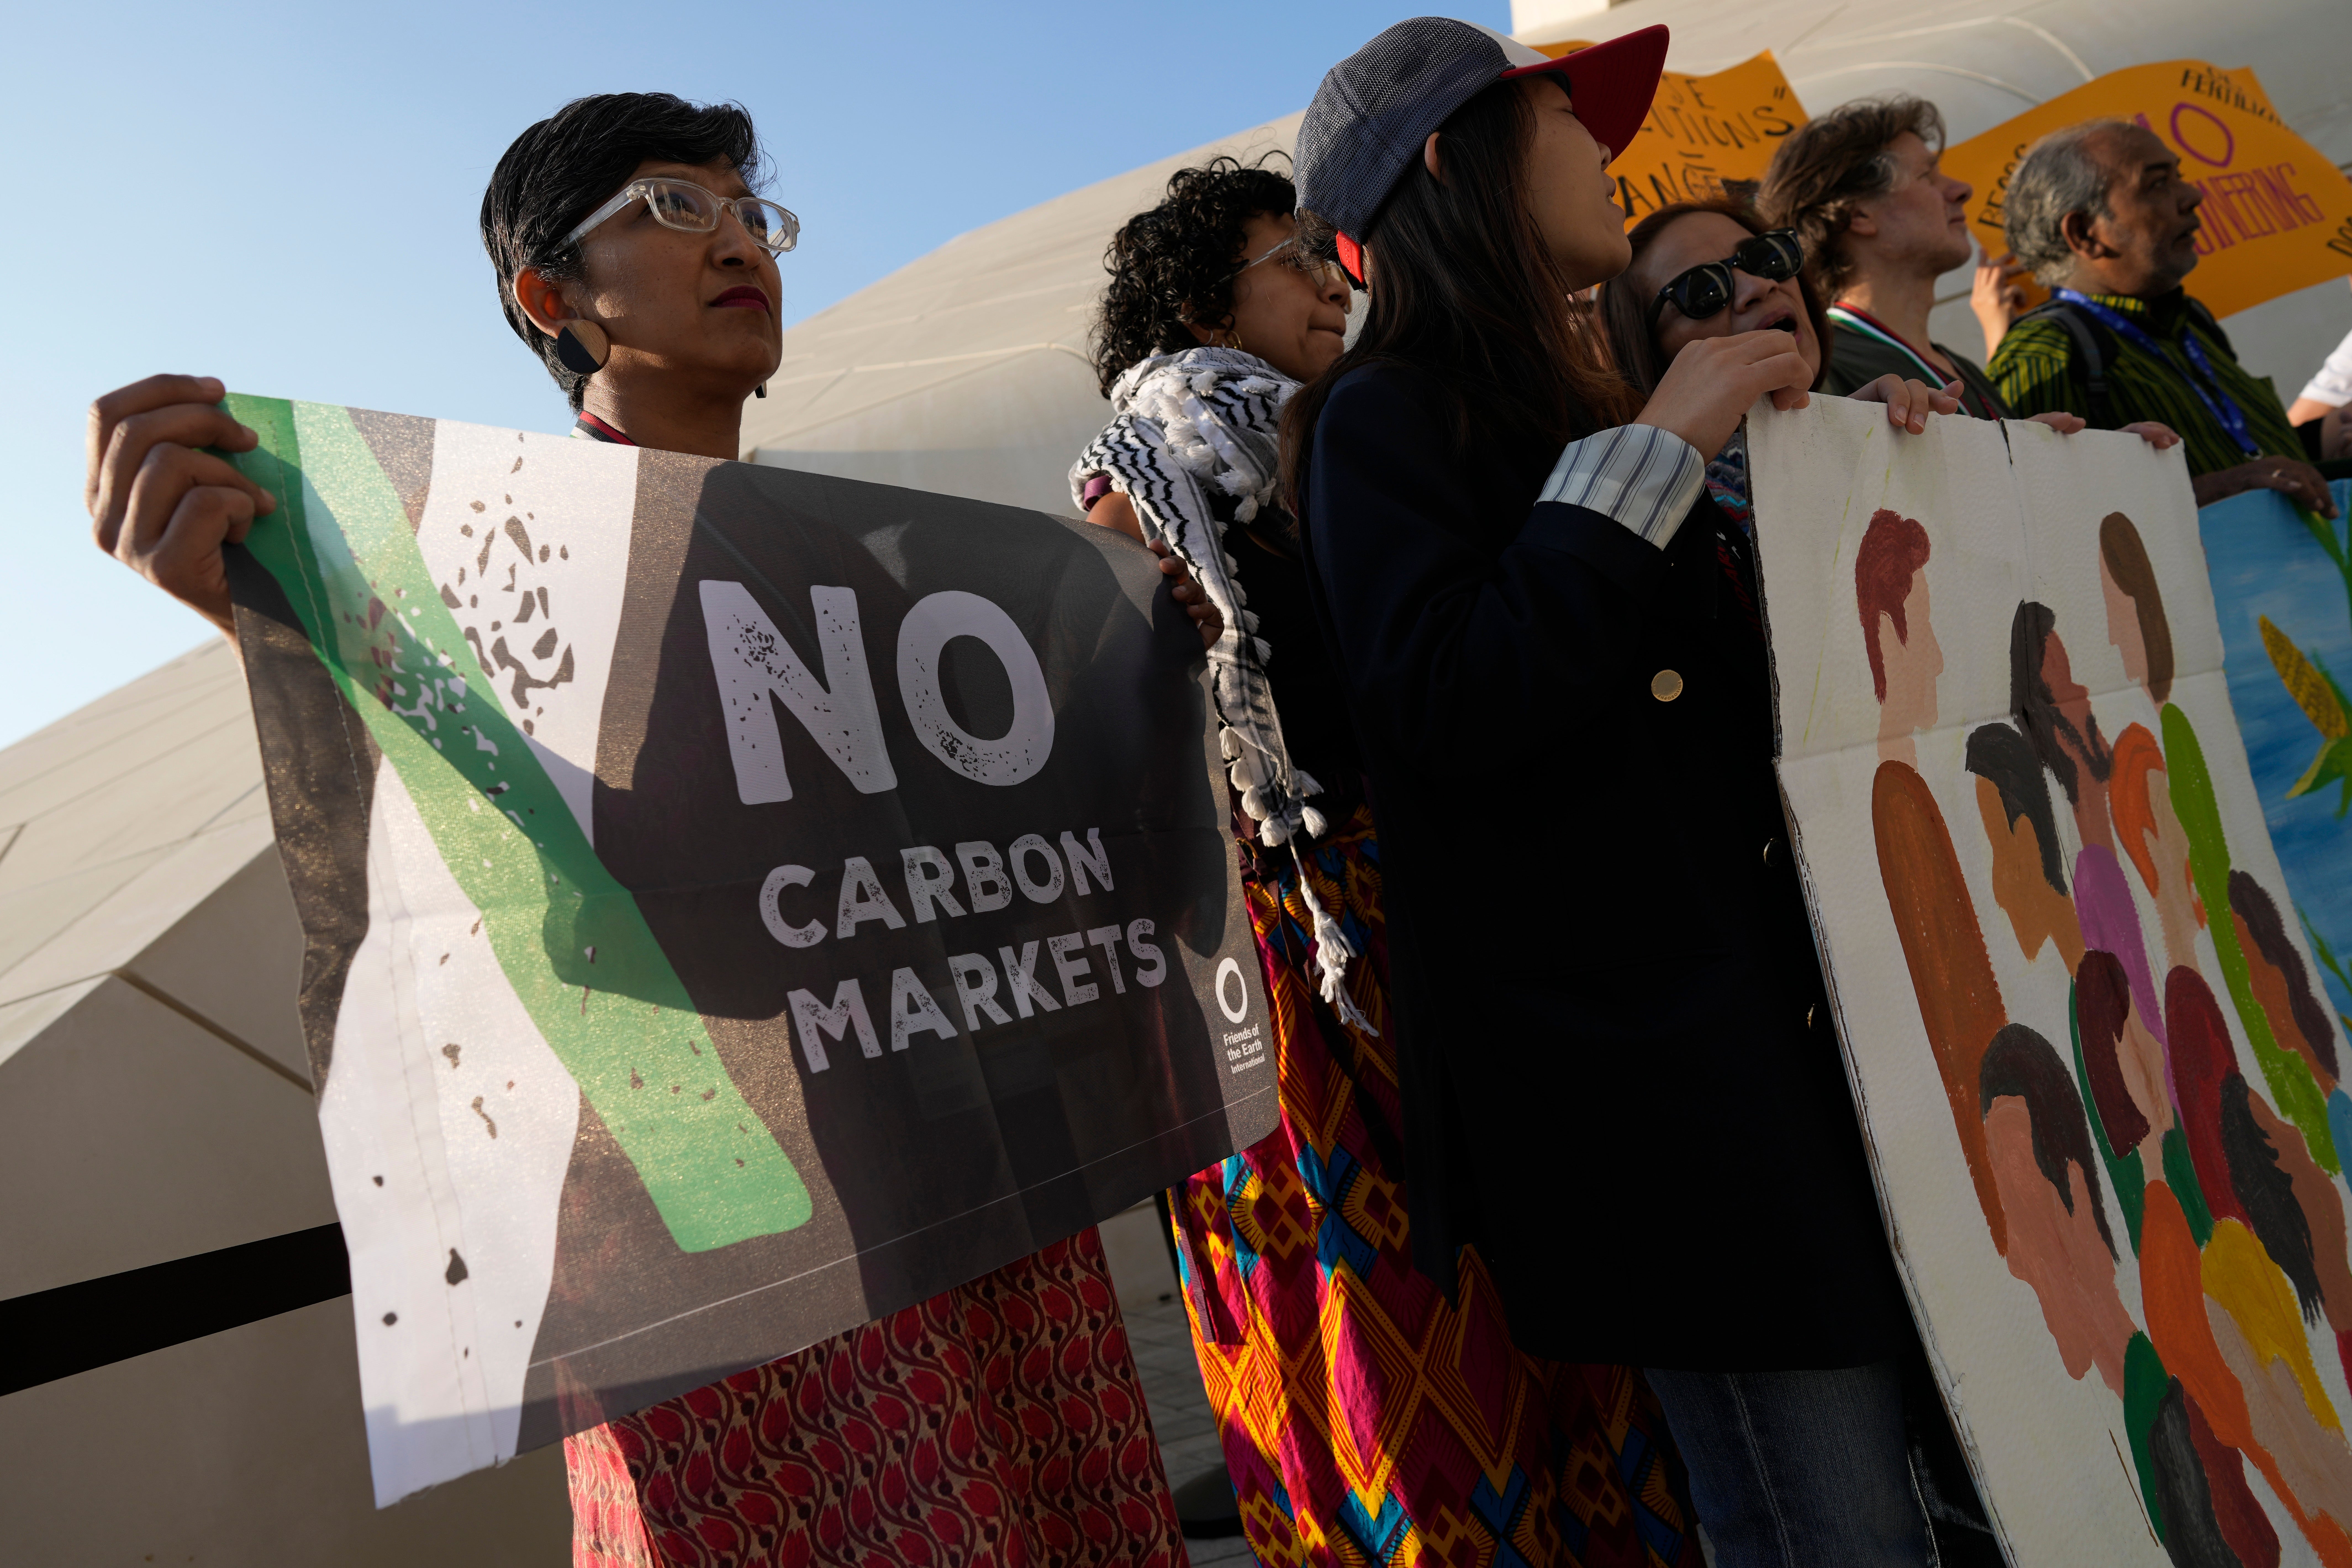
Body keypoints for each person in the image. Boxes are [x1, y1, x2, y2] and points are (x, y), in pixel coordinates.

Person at [84, 91, 1226, 1568]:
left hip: (979, 1221)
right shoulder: (471, 591)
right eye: (675, 210)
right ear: (550, 298)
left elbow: (1028, 884)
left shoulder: (885, 581)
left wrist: (1142, 681)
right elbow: (524, 903)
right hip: (741, 1275)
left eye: (752, 214)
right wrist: (285, 643)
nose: (739, 239)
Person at [1279, 17, 1980, 1564]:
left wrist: (1946, 492)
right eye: (1563, 123)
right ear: (1455, 164)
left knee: (1946, 1484)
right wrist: (1661, 446)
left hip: (1802, 1051)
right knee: (1828, 1524)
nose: (1607, 153)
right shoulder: (1385, 415)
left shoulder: (1588, 404)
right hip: (1658, 1102)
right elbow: (1447, 697)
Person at [1071, 155, 1703, 1567]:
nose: (1324, 276)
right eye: (1287, 255)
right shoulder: (1150, 479)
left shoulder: (1363, 436)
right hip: (1300, 965)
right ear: (1196, 303)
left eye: (1323, 248)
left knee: (1547, 1302)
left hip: (1433, 920)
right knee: (1378, 1327)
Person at [1757, 96, 2183, 461]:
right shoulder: (1823, 367)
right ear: (1860, 215)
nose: (1962, 189)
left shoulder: (1962, 370)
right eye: (1927, 176)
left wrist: (2098, 465)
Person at [1990, 119, 2338, 518]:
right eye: (2157, 184)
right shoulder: (2045, 351)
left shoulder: (2191, 322)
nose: (2192, 195)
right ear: (2086, 232)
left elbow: (2245, 455)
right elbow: (2042, 522)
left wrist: (2318, 444)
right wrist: (2215, 491)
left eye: (2180, 176)